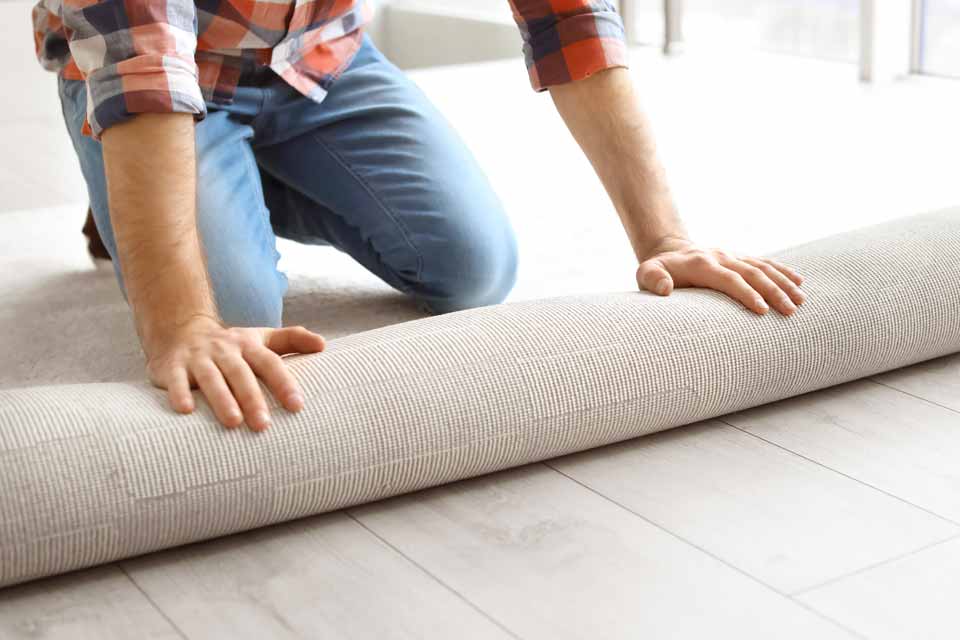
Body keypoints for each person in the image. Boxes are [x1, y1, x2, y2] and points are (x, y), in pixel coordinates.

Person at [33, 1, 805, 432]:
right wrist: (180, 322)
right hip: (156, 66)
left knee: (474, 266)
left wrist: (664, 237)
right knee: (233, 315)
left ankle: (195, 190)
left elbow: (569, 16)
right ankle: (137, 187)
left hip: (316, 53)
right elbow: (140, 59)